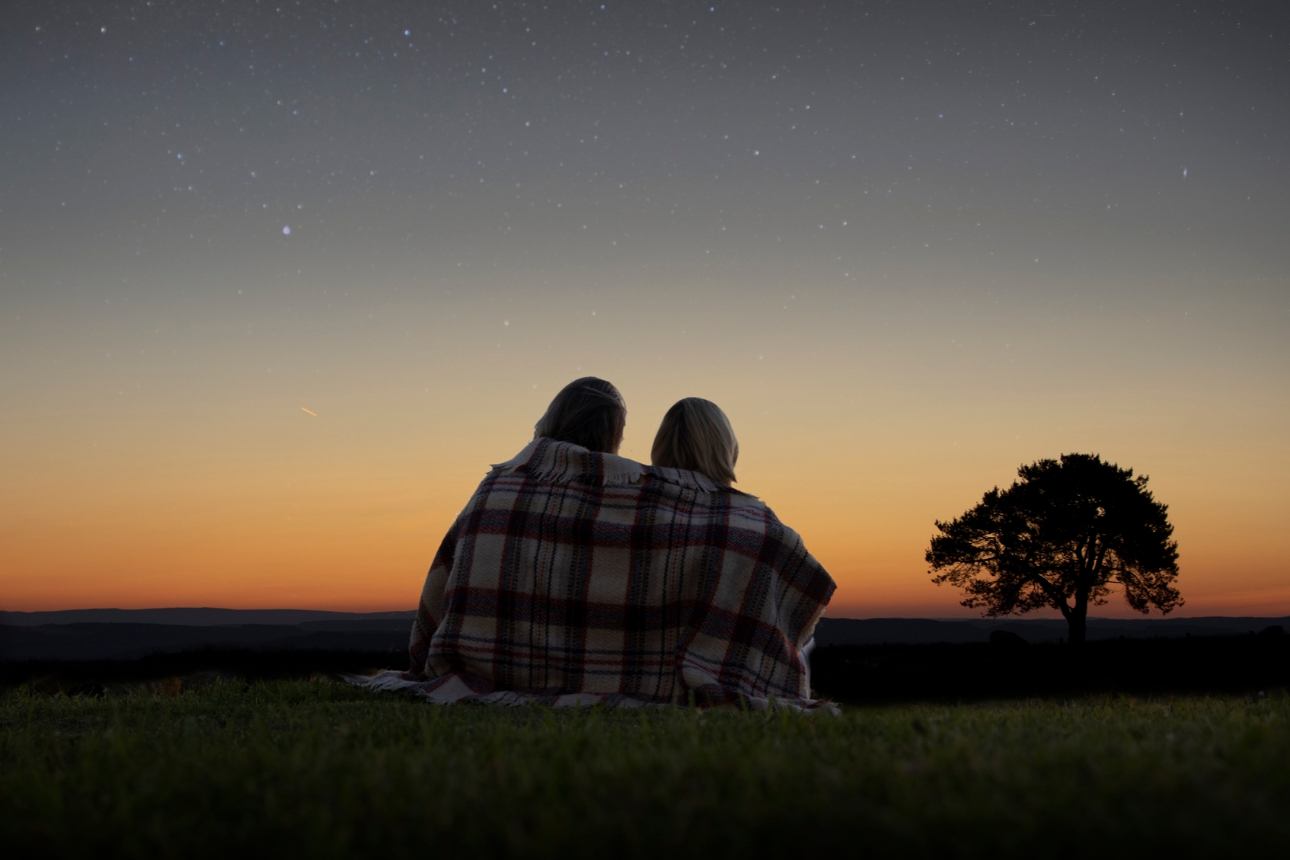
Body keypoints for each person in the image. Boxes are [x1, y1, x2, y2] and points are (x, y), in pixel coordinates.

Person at [369, 377, 835, 709]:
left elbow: (444, 581)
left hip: (492, 665)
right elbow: (798, 576)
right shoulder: (734, 518)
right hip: (664, 670)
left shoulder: (499, 489)